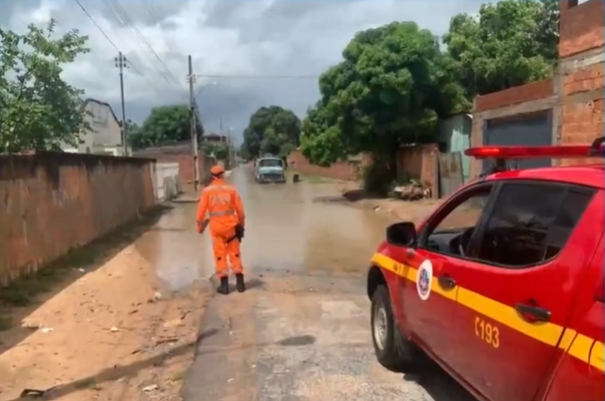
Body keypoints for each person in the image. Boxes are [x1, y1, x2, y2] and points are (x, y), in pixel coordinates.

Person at [196, 165, 246, 294]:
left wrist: (199, 227)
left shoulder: (207, 191)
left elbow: (200, 213)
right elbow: (240, 212)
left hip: (216, 228)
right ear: (223, 175)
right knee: (235, 253)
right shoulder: (232, 190)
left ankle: (224, 286)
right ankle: (240, 284)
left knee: (220, 255)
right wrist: (241, 226)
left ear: (212, 176)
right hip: (232, 227)